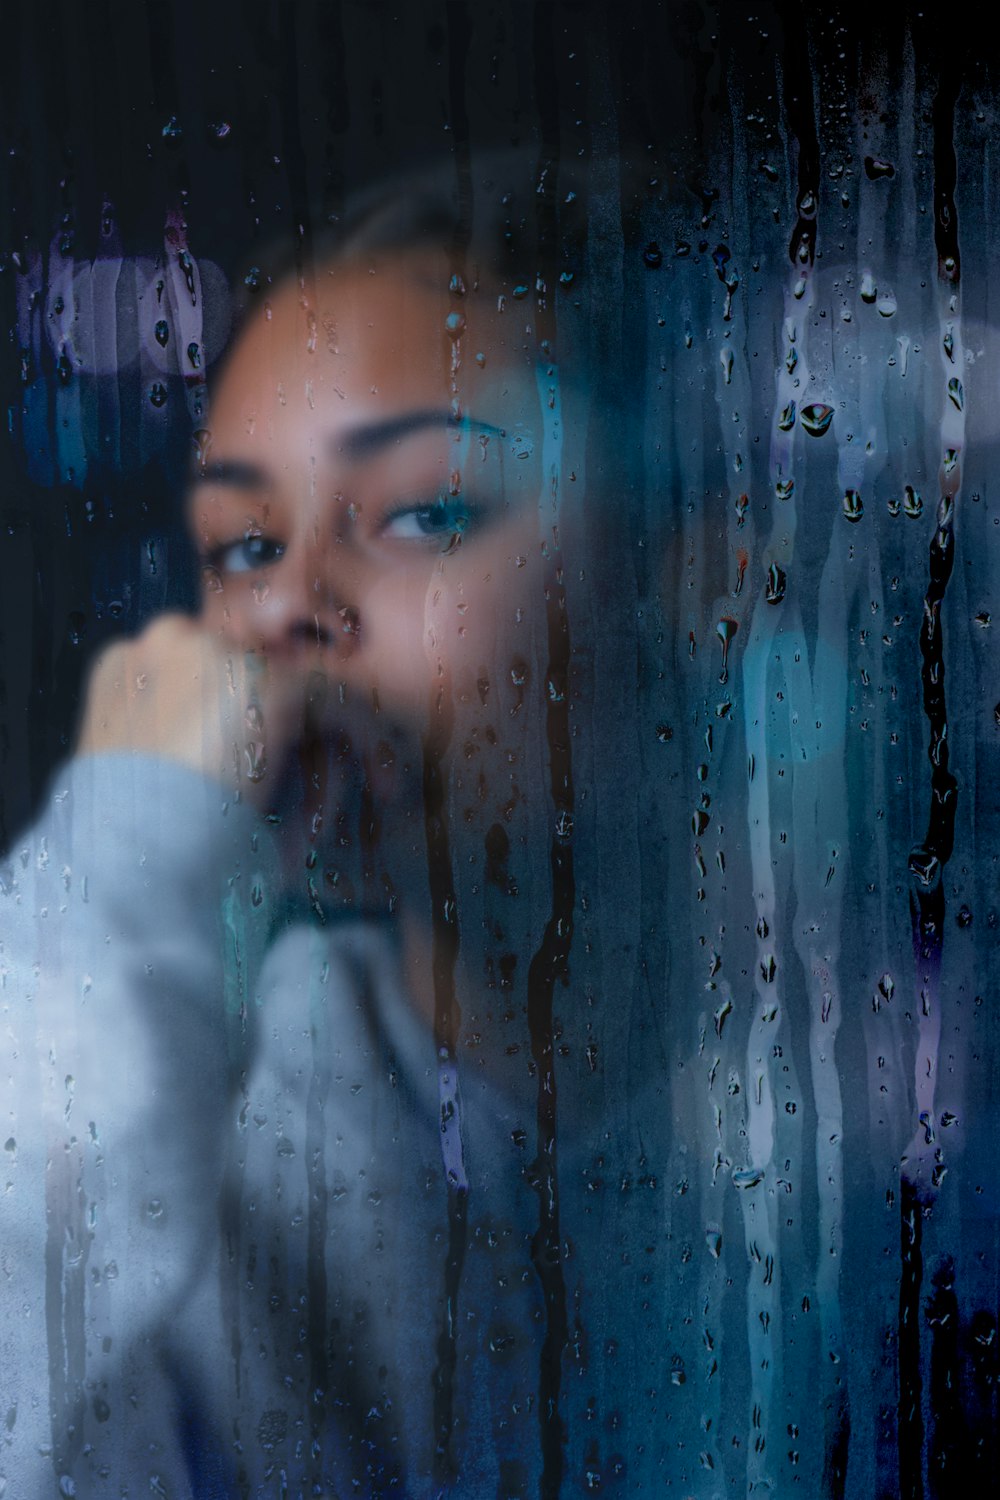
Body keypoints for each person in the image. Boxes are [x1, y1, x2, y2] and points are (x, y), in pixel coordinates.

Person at [2, 154, 615, 1497]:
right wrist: (127, 853)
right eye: (243, 545)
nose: (289, 612)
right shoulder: (180, 1147)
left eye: (420, 513)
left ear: (695, 565)